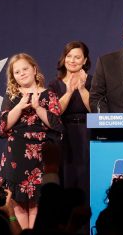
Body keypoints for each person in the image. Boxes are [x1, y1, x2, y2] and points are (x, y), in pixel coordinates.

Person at [0, 53, 63, 229]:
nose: (22, 73)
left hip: (39, 153)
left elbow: (57, 125)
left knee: (36, 202)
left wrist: (37, 108)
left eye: (25, 69)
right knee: (17, 203)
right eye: (17, 72)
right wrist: (19, 107)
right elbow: (3, 126)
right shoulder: (11, 96)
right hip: (15, 155)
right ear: (13, 77)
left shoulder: (49, 95)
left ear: (34, 69)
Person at [47, 41, 92, 194]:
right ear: (64, 58)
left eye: (77, 57)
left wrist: (82, 88)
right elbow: (54, 112)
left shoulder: (93, 81)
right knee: (67, 174)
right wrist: (69, 91)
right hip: (64, 134)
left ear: (85, 60)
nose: (72, 60)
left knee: (87, 174)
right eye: (69, 56)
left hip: (88, 133)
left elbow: (95, 110)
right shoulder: (54, 84)